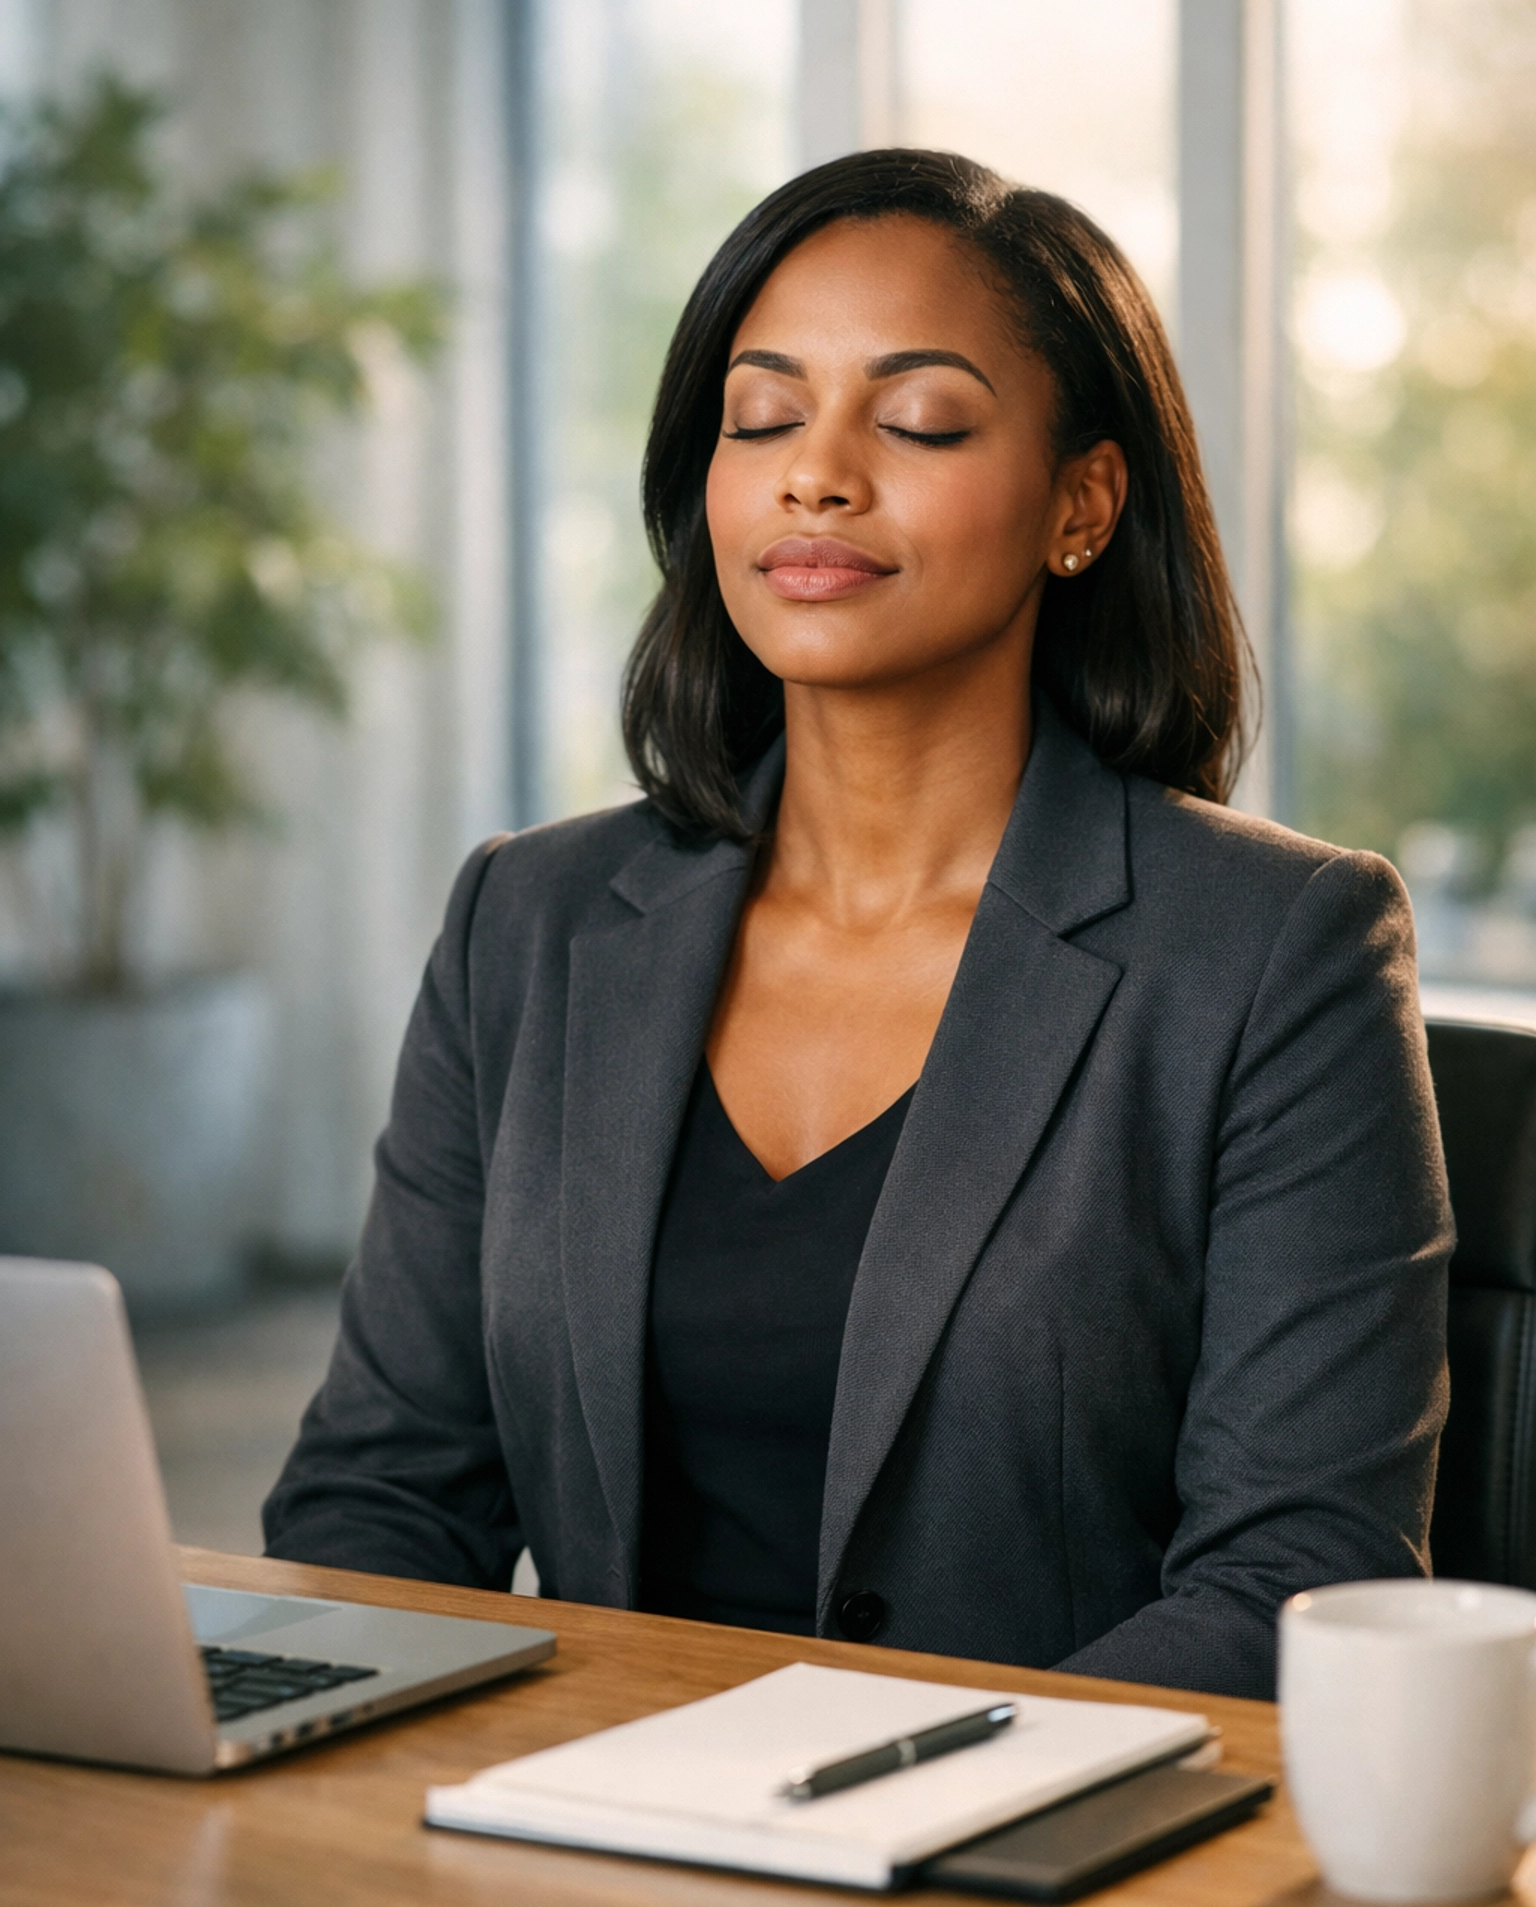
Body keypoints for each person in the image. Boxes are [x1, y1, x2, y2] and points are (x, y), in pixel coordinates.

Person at [263, 149, 1450, 1700]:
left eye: (919, 419)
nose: (815, 472)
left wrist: (840, 1802)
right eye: (762, 417)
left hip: (1039, 1884)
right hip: (571, 1858)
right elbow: (383, 1497)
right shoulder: (531, 921)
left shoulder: (1281, 951)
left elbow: (1297, 1582)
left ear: (1081, 504)